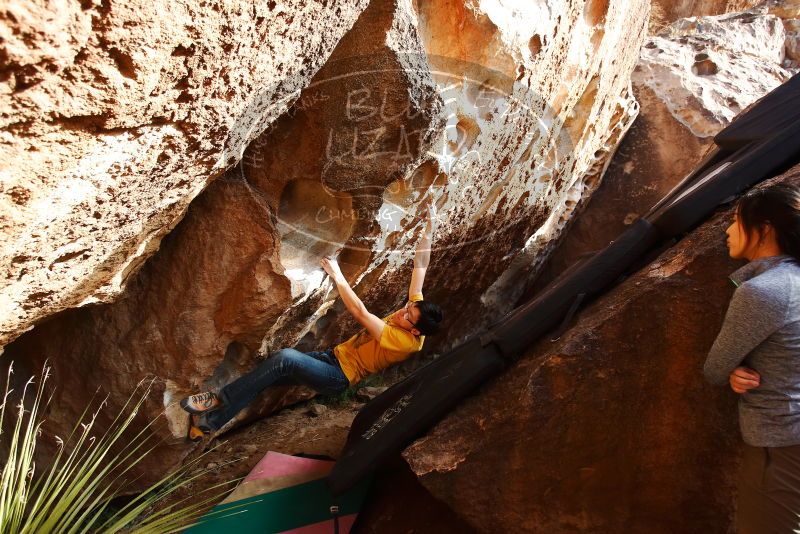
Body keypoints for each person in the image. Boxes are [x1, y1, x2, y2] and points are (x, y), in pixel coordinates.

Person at [181, 203, 443, 435]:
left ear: (416, 332)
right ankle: (209, 425)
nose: (403, 311)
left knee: (285, 358)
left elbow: (361, 313)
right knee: (265, 375)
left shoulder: (404, 342)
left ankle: (217, 399)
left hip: (338, 376)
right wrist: (430, 226)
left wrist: (338, 275)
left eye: (408, 316)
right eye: (408, 307)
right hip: (331, 358)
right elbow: (421, 264)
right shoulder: (415, 311)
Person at [703, 182, 800, 533]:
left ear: (764, 229)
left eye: (736, 220)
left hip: (781, 441)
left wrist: (731, 369)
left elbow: (714, 368)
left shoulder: (762, 292)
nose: (727, 231)